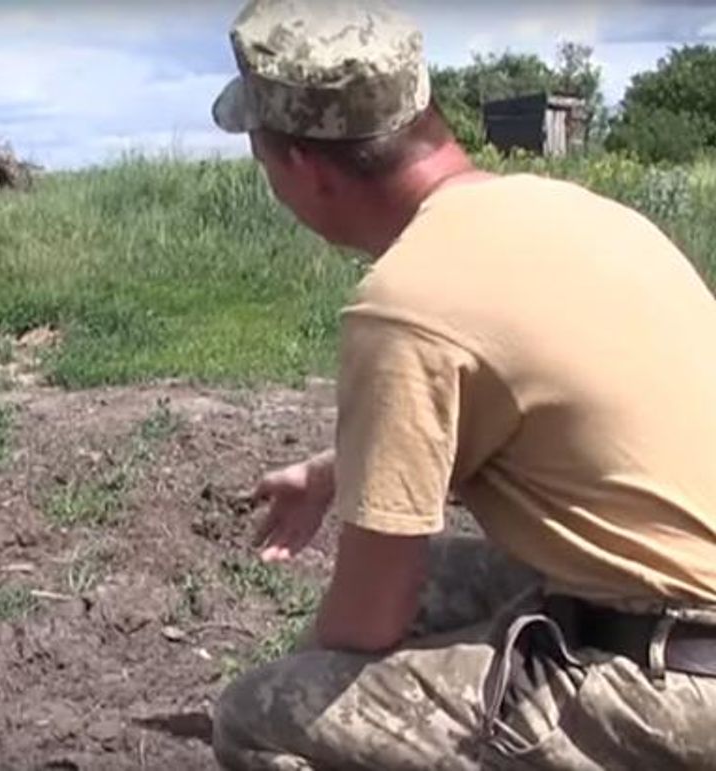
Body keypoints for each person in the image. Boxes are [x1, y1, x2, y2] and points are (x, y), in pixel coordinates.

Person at [206, 1, 716, 768]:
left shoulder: (406, 303)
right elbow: (540, 401)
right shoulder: (586, 217)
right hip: (682, 614)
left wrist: (309, 679)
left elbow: (366, 622)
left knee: (258, 714)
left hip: (677, 695)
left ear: (301, 166)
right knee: (441, 579)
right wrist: (332, 469)